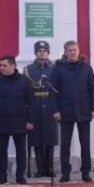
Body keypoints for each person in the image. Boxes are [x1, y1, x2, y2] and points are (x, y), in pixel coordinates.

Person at [50, 40, 94, 182]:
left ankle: (86, 172)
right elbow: (53, 91)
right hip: (65, 111)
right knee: (65, 144)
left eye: (74, 50)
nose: (72, 53)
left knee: (85, 144)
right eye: (69, 50)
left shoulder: (86, 68)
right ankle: (65, 173)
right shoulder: (58, 69)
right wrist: (55, 110)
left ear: (78, 50)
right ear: (65, 52)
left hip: (84, 110)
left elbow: (93, 89)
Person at [0, 55, 34, 184]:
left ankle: (20, 176)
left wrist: (30, 121)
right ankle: (2, 176)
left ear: (12, 65)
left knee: (21, 151)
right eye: (0, 65)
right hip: (0, 121)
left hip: (20, 121)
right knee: (1, 151)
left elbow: (32, 102)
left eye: (4, 65)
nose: (1, 68)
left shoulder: (24, 81)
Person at [24, 41, 57, 179]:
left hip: (51, 104)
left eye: (44, 50)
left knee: (50, 137)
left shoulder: (55, 68)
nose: (42, 52)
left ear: (48, 52)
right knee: (36, 139)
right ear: (35, 52)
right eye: (39, 50)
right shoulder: (28, 69)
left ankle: (49, 168)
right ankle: (40, 169)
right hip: (35, 106)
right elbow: (26, 91)